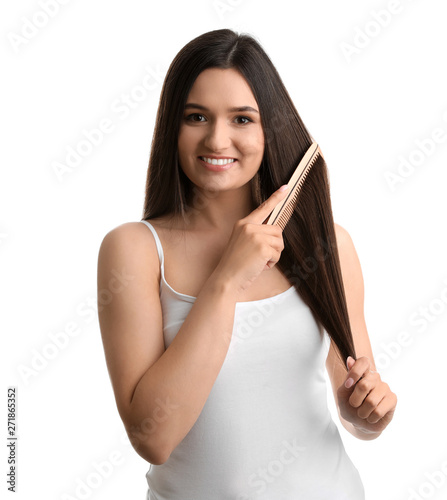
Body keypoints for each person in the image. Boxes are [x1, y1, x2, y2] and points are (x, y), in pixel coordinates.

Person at [97, 29, 397, 499]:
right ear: (172, 126)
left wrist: (369, 416)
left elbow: (356, 408)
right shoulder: (134, 250)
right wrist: (226, 280)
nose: (217, 138)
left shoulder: (329, 247)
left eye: (242, 118)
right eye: (196, 116)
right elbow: (153, 438)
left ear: (269, 129)